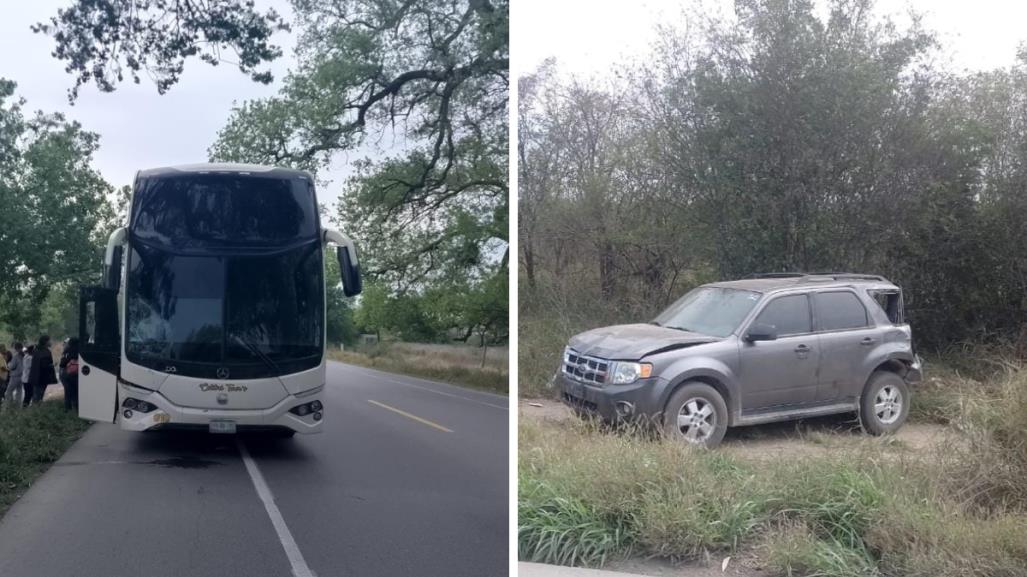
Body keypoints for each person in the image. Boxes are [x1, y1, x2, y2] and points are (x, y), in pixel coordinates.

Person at [59, 337, 80, 412]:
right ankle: (77, 410)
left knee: (67, 392)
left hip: (67, 374)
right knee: (76, 393)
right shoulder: (81, 351)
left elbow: (61, 364)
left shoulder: (66, 351)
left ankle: (67, 410)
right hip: (77, 374)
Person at [5, 342, 24, 407]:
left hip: (15, 376)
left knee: (8, 391)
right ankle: (18, 406)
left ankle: (9, 405)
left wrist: (8, 364)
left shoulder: (16, 356)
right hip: (22, 376)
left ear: (16, 348)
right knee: (19, 392)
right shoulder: (24, 355)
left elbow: (11, 366)